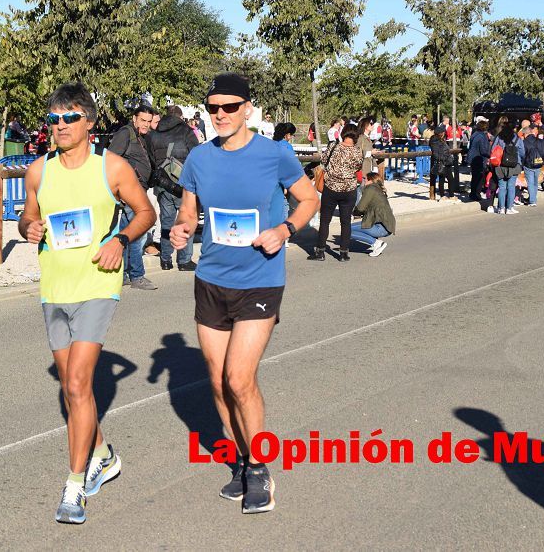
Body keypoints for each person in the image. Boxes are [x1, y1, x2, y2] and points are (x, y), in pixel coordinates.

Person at [169, 72, 318, 515]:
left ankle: (258, 467)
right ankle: (238, 461)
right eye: (213, 108)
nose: (220, 115)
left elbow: (308, 199)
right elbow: (188, 211)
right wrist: (182, 229)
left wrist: (285, 229)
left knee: (238, 377)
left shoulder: (276, 154)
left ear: (248, 109)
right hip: (212, 279)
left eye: (230, 107)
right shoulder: (198, 158)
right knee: (216, 382)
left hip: (260, 279)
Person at [19, 83, 156, 525]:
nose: (59, 126)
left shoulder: (110, 167)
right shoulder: (38, 170)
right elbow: (28, 215)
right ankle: (103, 454)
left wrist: (120, 240)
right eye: (54, 119)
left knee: (78, 385)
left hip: (98, 283)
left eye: (69, 118)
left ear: (90, 124)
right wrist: (29, 228)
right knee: (72, 387)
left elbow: (145, 213)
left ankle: (75, 486)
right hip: (54, 288)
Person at [107, 104, 158, 290]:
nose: (145, 124)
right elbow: (111, 160)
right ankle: (137, 275)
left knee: (125, 234)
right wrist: (116, 189)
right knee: (138, 231)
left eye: (148, 121)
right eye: (142, 120)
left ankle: (123, 274)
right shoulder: (125, 134)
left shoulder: (141, 137)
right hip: (129, 192)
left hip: (137, 191)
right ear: (134, 118)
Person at [150, 105, 201, 271]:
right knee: (186, 220)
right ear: (180, 116)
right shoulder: (186, 131)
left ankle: (165, 259)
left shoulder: (155, 132)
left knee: (166, 222)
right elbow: (196, 155)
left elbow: (151, 157)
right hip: (183, 184)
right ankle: (184, 260)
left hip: (163, 185)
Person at [311, 128, 364, 261]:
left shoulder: (333, 146)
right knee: (346, 222)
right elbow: (358, 167)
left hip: (331, 188)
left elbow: (323, 160)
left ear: (343, 134)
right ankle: (343, 253)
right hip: (349, 189)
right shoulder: (358, 151)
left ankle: (320, 251)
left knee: (325, 220)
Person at [352, 172, 396, 257]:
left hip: (382, 228)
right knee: (353, 227)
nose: (363, 180)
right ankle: (376, 243)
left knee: (347, 230)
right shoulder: (378, 189)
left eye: (365, 179)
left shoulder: (370, 189)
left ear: (371, 180)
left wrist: (353, 213)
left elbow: (360, 208)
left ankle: (376, 243)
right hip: (387, 226)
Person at [491, 117, 525, 215]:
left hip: (501, 164)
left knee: (502, 186)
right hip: (514, 165)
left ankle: (501, 208)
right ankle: (509, 208)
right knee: (511, 186)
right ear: (514, 128)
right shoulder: (518, 138)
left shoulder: (499, 137)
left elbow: (493, 149)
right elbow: (522, 152)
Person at [429, 125, 458, 202]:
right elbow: (436, 153)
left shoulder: (441, 139)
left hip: (446, 161)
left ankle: (450, 195)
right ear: (440, 133)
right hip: (443, 162)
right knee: (443, 179)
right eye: (443, 132)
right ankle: (443, 196)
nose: (444, 133)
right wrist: (444, 158)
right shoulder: (435, 141)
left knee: (450, 179)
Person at [522, 124, 544, 206]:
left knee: (530, 182)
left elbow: (522, 154)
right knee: (535, 182)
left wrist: (523, 162)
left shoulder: (524, 142)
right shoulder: (540, 141)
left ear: (525, 134)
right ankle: (533, 198)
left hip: (528, 164)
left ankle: (532, 201)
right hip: (538, 164)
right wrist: (542, 160)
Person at [467, 117, 491, 203]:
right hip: (479, 159)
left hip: (473, 158)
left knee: (474, 177)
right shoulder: (482, 136)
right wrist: (490, 155)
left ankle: (473, 193)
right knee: (479, 178)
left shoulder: (475, 134)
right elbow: (483, 150)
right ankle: (476, 194)